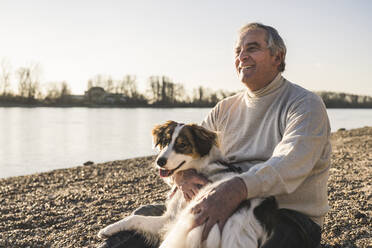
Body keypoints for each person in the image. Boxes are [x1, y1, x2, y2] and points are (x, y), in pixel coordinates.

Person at [98, 22, 331, 248]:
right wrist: (181, 178)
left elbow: (290, 163)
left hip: (285, 215)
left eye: (252, 48)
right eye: (238, 51)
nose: (242, 57)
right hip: (217, 199)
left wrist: (236, 189)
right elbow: (188, 154)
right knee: (141, 218)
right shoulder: (224, 109)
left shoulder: (304, 104)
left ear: (277, 57)